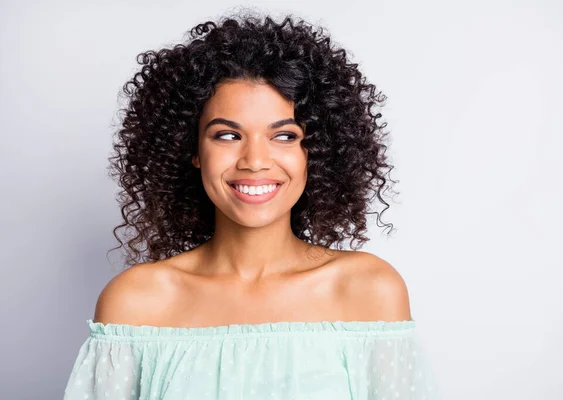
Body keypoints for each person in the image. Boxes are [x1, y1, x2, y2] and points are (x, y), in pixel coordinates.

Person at [63, 11, 440, 399]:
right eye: (227, 135)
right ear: (192, 149)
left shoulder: (367, 290)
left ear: (317, 151)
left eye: (284, 136)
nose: (255, 160)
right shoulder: (136, 302)